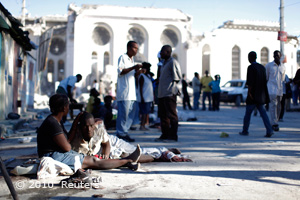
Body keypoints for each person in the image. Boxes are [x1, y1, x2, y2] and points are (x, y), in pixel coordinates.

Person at [36, 94, 141, 171]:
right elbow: (67, 147)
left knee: (93, 159)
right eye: (68, 105)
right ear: (64, 108)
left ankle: (125, 161)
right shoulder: (52, 123)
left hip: (56, 153)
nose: (69, 107)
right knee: (93, 161)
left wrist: (76, 121)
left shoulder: (56, 121)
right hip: (52, 155)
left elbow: (66, 139)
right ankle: (127, 161)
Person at [72, 112, 191, 163]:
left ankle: (163, 150)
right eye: (85, 127)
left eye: (91, 126)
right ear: (79, 126)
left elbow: (106, 143)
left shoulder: (98, 129)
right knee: (133, 156)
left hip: (112, 142)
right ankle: (162, 153)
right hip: (104, 150)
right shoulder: (76, 137)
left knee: (136, 150)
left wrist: (106, 154)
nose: (88, 129)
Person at [239, 51, 273, 137]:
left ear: (250, 58)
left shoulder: (251, 67)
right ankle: (269, 130)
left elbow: (250, 83)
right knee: (263, 114)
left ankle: (245, 130)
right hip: (261, 95)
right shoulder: (262, 67)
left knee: (248, 114)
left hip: (253, 95)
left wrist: (250, 93)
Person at [115, 41, 142, 142]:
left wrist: (138, 72)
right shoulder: (122, 57)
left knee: (130, 114)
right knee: (123, 114)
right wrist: (134, 67)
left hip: (132, 93)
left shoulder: (132, 59)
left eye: (137, 48)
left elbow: (132, 75)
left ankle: (124, 132)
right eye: (134, 48)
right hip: (124, 92)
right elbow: (121, 71)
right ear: (129, 48)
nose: (136, 50)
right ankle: (120, 132)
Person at [155, 45, 182, 142]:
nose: (161, 53)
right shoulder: (164, 64)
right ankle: (165, 134)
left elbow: (177, 77)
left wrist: (172, 89)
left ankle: (173, 136)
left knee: (172, 115)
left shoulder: (173, 62)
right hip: (162, 94)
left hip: (169, 93)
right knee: (163, 116)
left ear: (167, 52)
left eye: (162, 51)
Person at [265, 50, 286, 131]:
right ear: (273, 56)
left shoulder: (283, 67)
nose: (276, 57)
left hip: (280, 90)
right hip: (271, 89)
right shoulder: (269, 66)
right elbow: (266, 77)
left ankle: (275, 121)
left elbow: (283, 79)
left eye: (278, 55)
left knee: (278, 107)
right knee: (273, 106)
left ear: (280, 56)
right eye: (275, 55)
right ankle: (274, 123)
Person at [137, 62, 154, 131]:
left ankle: (144, 125)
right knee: (143, 113)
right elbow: (140, 88)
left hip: (149, 98)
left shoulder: (148, 76)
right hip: (144, 98)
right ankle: (142, 125)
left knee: (146, 113)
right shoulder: (142, 76)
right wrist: (142, 97)